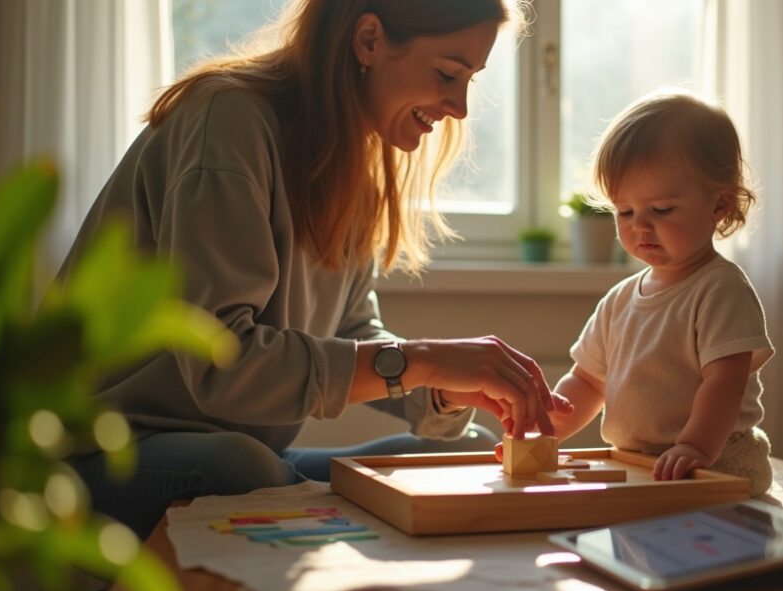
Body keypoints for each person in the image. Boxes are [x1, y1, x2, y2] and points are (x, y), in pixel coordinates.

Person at [56, 0, 569, 539]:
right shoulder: (226, 121)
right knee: (243, 470)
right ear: (368, 40)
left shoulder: (356, 161)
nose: (460, 108)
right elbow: (222, 367)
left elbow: (353, 333)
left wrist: (439, 387)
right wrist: (423, 360)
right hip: (108, 456)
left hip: (253, 454)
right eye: (446, 74)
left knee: (461, 455)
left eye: (469, 80)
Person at [540, 90, 775, 496]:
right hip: (638, 462)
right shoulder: (619, 300)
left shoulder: (721, 289)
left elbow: (725, 382)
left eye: (661, 210)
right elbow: (588, 381)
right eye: (625, 212)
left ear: (719, 205)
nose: (640, 226)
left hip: (716, 462)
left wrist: (694, 447)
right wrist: (546, 427)